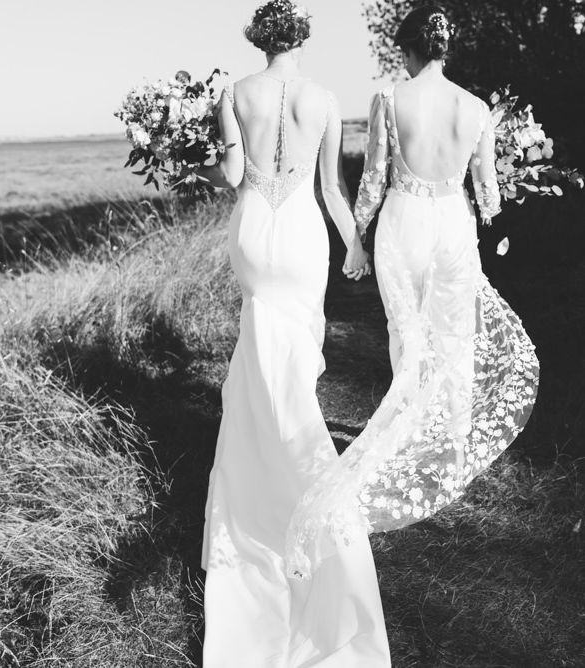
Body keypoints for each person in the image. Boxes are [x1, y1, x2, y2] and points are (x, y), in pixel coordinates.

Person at [285, 6, 540, 585]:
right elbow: (488, 195)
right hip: (452, 225)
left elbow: (374, 178)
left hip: (403, 227)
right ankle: (453, 449)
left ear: (409, 50)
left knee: (407, 337)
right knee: (455, 337)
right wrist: (498, 197)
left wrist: (357, 239)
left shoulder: (388, 100)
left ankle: (403, 437)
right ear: (444, 50)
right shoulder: (475, 109)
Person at [198, 1, 391, 665]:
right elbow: (331, 188)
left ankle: (262, 469)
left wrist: (195, 159)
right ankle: (297, 462)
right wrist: (355, 244)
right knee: (295, 363)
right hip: (305, 234)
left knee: (261, 349)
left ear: (259, 38)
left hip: (255, 231)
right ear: (302, 37)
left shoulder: (235, 93)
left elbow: (231, 176)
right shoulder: (324, 99)